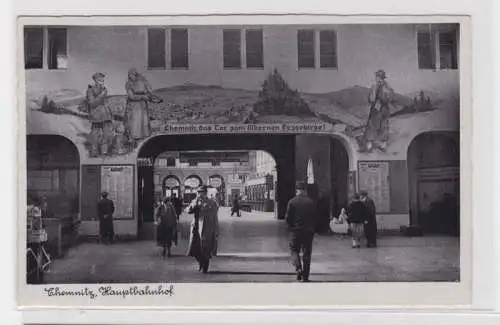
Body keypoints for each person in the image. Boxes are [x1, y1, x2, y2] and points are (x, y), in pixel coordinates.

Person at [285, 181, 317, 282]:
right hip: (308, 231)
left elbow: (288, 218)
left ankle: (298, 268)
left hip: (296, 231)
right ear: (305, 190)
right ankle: (306, 276)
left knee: (294, 250)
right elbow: (316, 217)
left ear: (297, 190)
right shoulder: (311, 202)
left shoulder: (292, 202)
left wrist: (291, 227)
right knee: (307, 253)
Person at [186, 186, 219, 273]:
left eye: (202, 192)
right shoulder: (195, 201)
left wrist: (216, 229)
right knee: (194, 248)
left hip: (207, 228)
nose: (200, 194)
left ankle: (205, 266)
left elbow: (215, 217)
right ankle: (201, 262)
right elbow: (188, 211)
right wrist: (195, 203)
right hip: (196, 228)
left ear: (205, 193)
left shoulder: (212, 202)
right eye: (199, 192)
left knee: (206, 248)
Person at [361, 69, 394, 152]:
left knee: (372, 124)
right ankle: (383, 144)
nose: (376, 78)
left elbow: (371, 99)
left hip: (377, 109)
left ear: (379, 77)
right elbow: (390, 98)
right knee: (384, 125)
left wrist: (375, 97)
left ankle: (370, 144)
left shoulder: (374, 86)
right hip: (385, 109)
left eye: (377, 76)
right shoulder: (388, 87)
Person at [125, 68, 161, 146]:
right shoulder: (128, 84)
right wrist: (142, 97)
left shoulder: (142, 82)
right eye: (132, 74)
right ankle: (133, 139)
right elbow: (131, 96)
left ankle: (142, 140)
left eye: (135, 74)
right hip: (133, 105)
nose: (133, 76)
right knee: (135, 122)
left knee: (143, 122)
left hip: (142, 105)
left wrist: (145, 81)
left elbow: (150, 91)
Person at [83, 72, 114, 157]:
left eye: (103, 80)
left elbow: (105, 102)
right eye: (100, 79)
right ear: (96, 80)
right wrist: (101, 95)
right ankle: (94, 151)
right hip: (96, 115)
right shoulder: (90, 90)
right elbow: (92, 103)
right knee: (95, 134)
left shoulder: (104, 89)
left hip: (105, 115)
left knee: (107, 133)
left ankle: (104, 151)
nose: (102, 81)